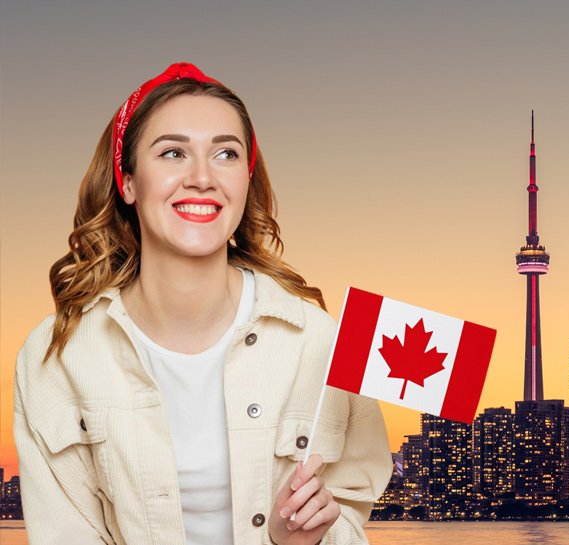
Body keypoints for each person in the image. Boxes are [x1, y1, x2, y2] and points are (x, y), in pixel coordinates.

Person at [13, 62, 393, 545]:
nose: (201, 177)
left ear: (245, 181)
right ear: (128, 182)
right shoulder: (56, 357)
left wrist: (305, 540)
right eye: (173, 152)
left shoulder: (321, 343)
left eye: (226, 154)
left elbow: (351, 516)